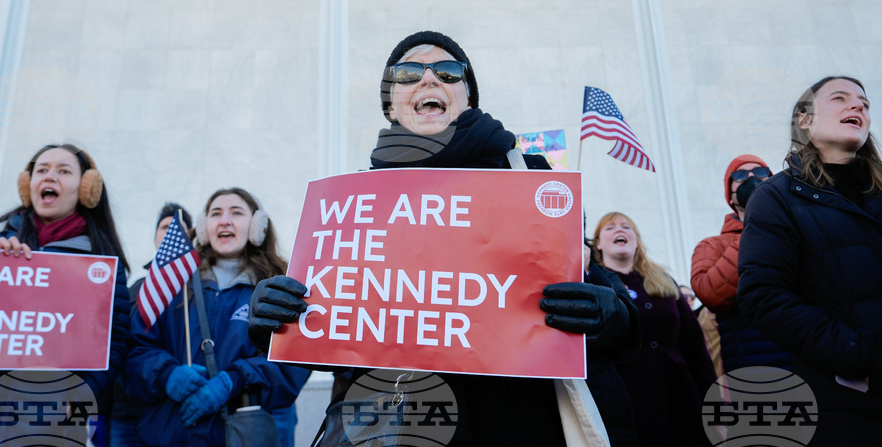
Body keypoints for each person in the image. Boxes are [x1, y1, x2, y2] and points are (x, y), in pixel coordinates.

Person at [249, 30, 640, 446]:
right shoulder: (356, 201)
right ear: (391, 104)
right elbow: (339, 337)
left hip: (519, 423)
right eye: (408, 73)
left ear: (468, 97)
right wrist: (280, 320)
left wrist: (608, 313)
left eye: (448, 71)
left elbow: (619, 323)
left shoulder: (529, 176)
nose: (429, 78)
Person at [0, 143, 131, 446]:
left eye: (64, 171)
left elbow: (115, 344)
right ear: (27, 184)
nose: (50, 176)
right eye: (41, 170)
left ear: (87, 188)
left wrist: (78, 399)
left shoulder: (101, 263)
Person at [738, 76, 882, 443]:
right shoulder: (776, 198)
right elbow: (763, 296)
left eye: (864, 103)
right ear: (805, 120)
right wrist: (855, 355)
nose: (857, 106)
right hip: (854, 406)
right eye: (840, 98)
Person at [125, 188, 310, 447]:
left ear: (257, 225)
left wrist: (235, 380)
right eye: (216, 213)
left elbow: (292, 362)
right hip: (166, 435)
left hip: (238, 435)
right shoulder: (173, 284)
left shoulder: (278, 290)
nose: (225, 220)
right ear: (203, 228)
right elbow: (135, 350)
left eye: (236, 213)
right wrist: (166, 374)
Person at [592, 211, 715, 447]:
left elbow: (694, 346)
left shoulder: (663, 279)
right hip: (627, 392)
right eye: (610, 228)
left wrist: (713, 403)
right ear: (598, 244)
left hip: (678, 389)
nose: (620, 230)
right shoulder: (596, 283)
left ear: (636, 240)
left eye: (626, 227)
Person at [690, 154, 791, 375]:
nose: (751, 178)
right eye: (740, 176)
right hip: (752, 365)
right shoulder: (711, 246)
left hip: (804, 353)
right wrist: (754, 231)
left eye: (761, 172)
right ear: (730, 195)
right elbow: (709, 293)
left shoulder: (793, 230)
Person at [110, 203, 193, 446]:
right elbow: (115, 342)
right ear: (156, 236)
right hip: (124, 408)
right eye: (165, 227)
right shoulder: (136, 289)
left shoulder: (196, 292)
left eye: (180, 228)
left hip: (168, 409)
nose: (171, 233)